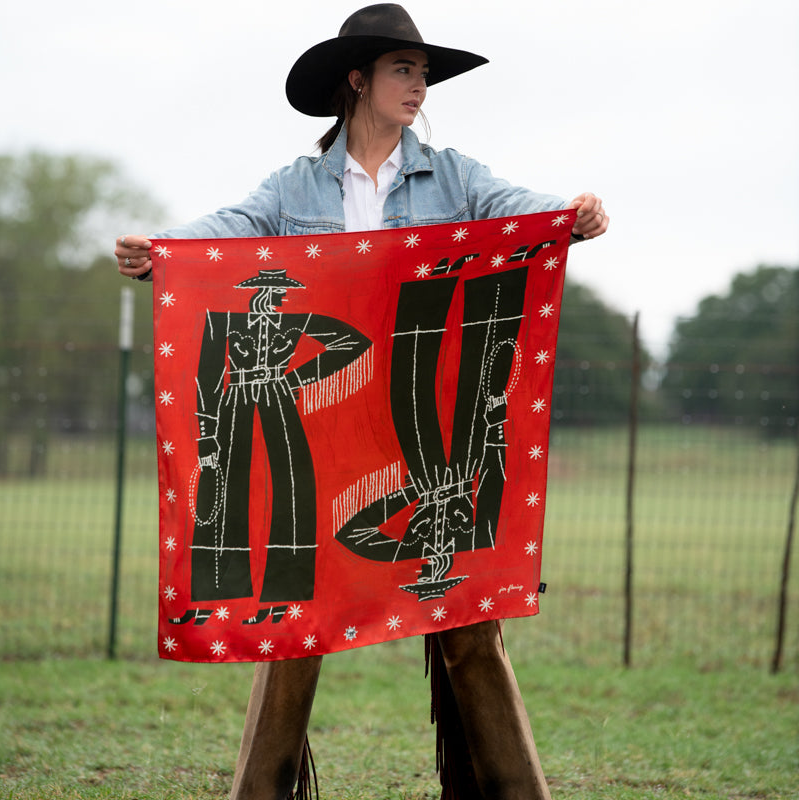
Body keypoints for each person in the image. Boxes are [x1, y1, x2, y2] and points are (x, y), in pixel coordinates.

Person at [115, 5, 608, 799]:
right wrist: (161, 252)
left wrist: (571, 217)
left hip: (423, 424)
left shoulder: (455, 176)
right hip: (324, 435)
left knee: (466, 619)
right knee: (295, 617)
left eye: (423, 73)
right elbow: (231, 231)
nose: (419, 86)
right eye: (403, 70)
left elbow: (519, 211)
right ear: (359, 79)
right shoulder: (296, 185)